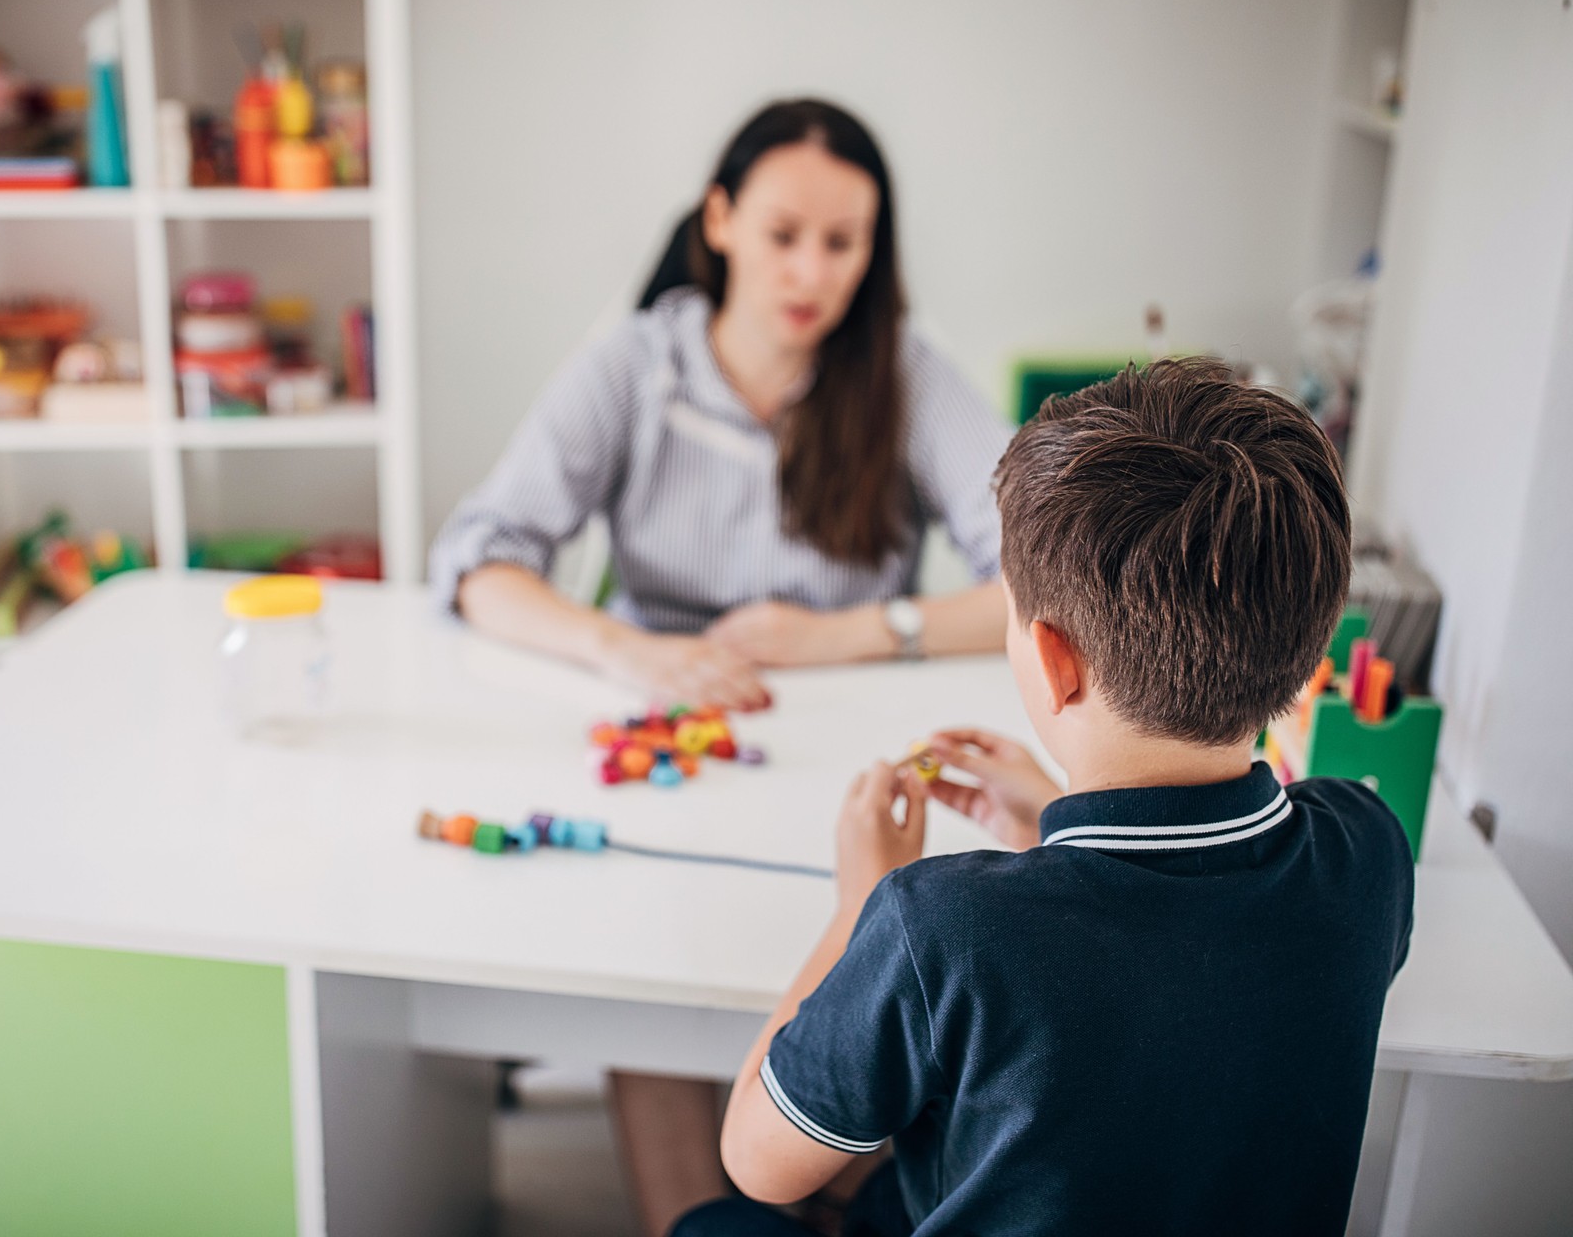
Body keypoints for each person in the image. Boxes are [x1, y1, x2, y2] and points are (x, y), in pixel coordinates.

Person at [692, 359, 1414, 1235]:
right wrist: (1050, 825)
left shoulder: (938, 925)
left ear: (1051, 660)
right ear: (1311, 655)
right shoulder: (1369, 850)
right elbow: (1185, 958)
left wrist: (858, 909)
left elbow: (760, 1162)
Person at [428, 98, 1011, 719]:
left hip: (853, 716)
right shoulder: (634, 365)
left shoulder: (908, 374)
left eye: (841, 242)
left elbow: (1052, 570)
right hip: (653, 713)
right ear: (720, 219)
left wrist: (850, 634)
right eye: (783, 236)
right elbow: (478, 562)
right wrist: (621, 649)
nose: (812, 274)